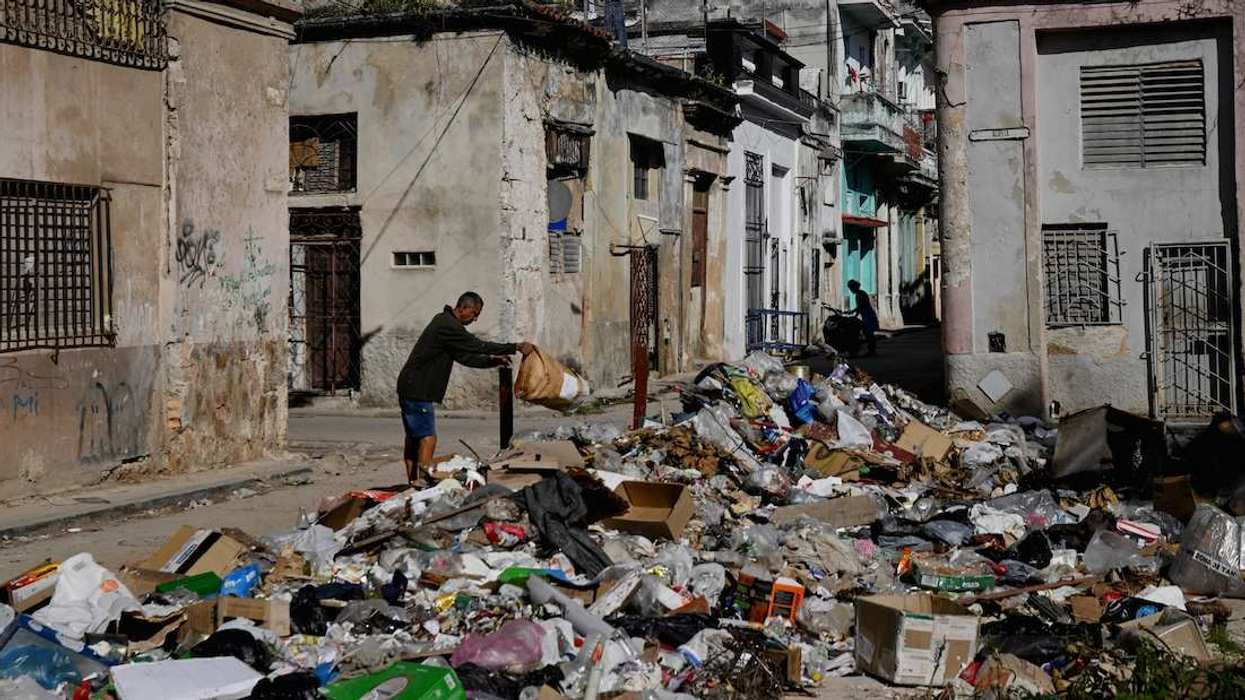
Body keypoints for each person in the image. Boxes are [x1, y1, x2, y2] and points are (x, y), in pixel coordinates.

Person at [396, 292, 534, 487]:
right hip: (418, 388)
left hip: (410, 386)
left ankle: (413, 481)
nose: (475, 318)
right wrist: (515, 347)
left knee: (413, 440)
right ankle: (421, 482)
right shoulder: (447, 325)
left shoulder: (445, 323)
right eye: (475, 313)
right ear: (464, 308)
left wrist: (491, 361)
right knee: (427, 437)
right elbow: (477, 345)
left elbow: (464, 357)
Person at [846, 279, 878, 356]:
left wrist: (854, 313)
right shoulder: (861, 293)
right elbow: (859, 307)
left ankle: (871, 351)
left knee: (868, 333)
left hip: (868, 314)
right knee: (868, 333)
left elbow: (860, 306)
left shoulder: (860, 295)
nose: (850, 290)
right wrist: (855, 313)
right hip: (867, 314)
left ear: (854, 287)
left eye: (851, 288)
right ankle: (871, 350)